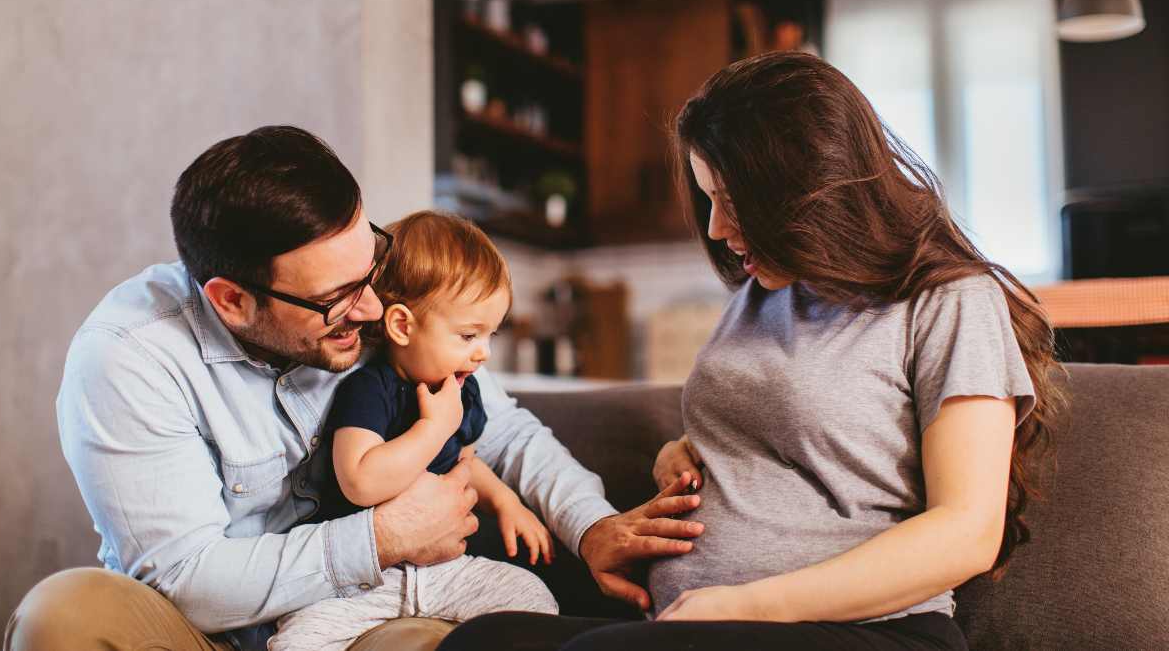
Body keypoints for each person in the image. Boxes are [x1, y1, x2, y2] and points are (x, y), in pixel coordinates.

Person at [437, 51, 1061, 651]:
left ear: (812, 188)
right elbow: (779, 440)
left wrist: (748, 603)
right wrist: (681, 456)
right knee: (484, 640)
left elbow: (968, 532)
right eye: (709, 198)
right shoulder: (764, 292)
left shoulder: (951, 299)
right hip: (696, 627)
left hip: (870, 632)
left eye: (734, 203)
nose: (715, 228)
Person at [5, 126, 702, 651]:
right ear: (231, 301)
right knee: (61, 615)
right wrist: (381, 536)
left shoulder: (375, 300)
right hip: (206, 633)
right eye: (339, 297)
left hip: (361, 617)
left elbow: (506, 429)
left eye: (372, 263)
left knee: (447, 639)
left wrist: (591, 526)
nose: (371, 310)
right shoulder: (129, 357)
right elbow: (188, 578)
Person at [268, 211, 558, 650]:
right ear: (402, 325)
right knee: (297, 642)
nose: (483, 353)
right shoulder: (370, 389)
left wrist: (506, 501)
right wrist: (433, 427)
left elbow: (463, 462)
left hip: (445, 571)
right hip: (362, 582)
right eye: (468, 335)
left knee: (534, 602)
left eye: (491, 334)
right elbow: (360, 480)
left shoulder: (464, 391)